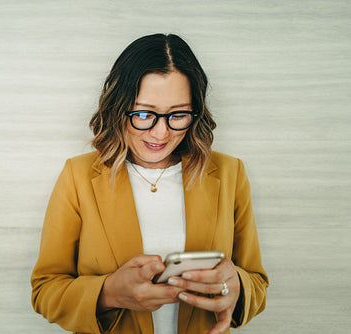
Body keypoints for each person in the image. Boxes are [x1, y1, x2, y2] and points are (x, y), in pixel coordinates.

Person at [30, 33, 268, 334]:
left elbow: (257, 283)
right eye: (144, 114)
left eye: (178, 115)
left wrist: (238, 287)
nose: (160, 133)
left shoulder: (230, 173)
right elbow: (45, 291)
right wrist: (110, 292)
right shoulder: (77, 177)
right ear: (119, 108)